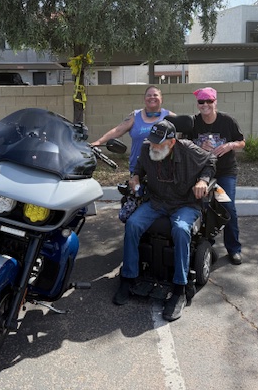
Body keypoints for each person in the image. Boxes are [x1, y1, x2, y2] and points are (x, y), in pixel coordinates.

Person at [114, 119, 216, 322]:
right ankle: (128, 277)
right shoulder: (147, 149)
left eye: (158, 143)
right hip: (157, 201)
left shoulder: (188, 150)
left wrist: (203, 181)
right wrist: (135, 177)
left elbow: (211, 160)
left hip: (185, 203)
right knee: (133, 224)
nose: (153, 146)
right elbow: (139, 168)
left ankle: (179, 288)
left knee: (180, 229)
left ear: (172, 142)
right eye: (152, 141)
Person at [189, 87, 245, 265]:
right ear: (197, 104)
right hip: (201, 172)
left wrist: (230, 145)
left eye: (209, 101)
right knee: (201, 207)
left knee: (227, 207)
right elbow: (184, 145)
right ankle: (205, 246)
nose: (205, 104)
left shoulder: (227, 121)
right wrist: (198, 147)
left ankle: (234, 248)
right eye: (201, 101)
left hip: (225, 171)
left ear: (215, 102)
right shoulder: (193, 122)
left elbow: (242, 142)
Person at [91, 86, 175, 173]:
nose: (152, 97)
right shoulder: (135, 116)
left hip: (163, 169)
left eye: (155, 95)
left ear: (161, 99)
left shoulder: (170, 117)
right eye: (149, 95)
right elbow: (118, 130)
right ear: (144, 99)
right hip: (138, 168)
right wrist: (98, 142)